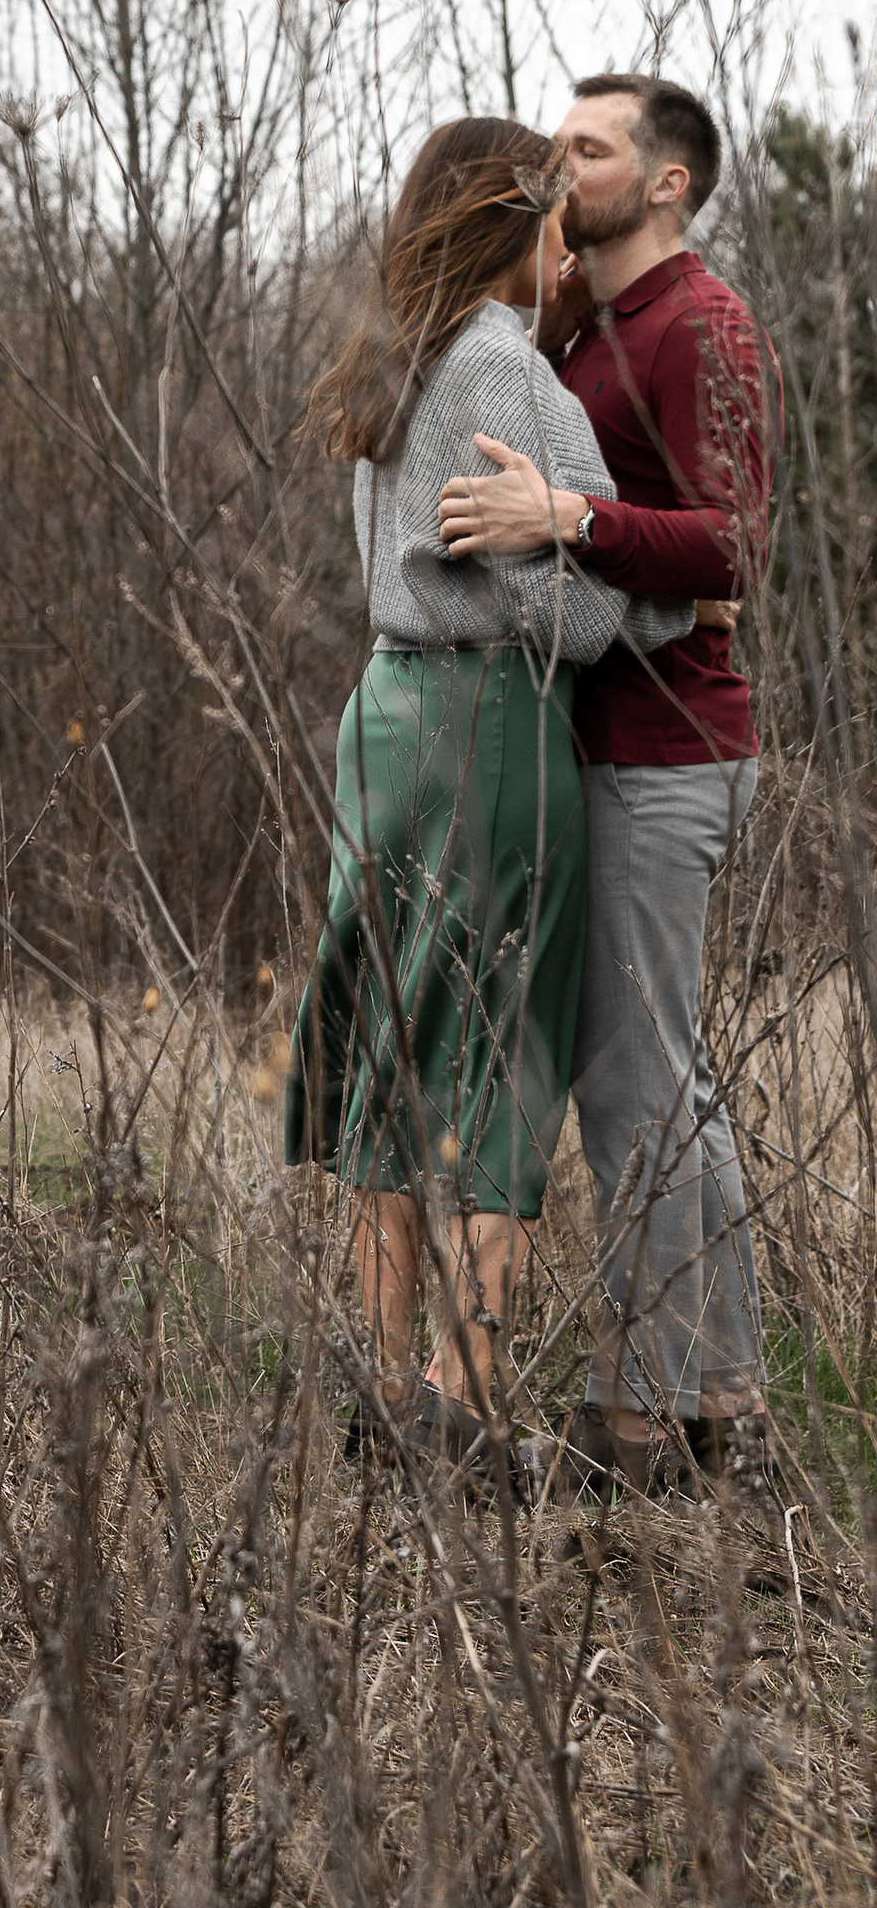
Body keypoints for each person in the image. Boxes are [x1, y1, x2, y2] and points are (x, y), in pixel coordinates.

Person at [289, 117, 691, 1478]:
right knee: (500, 1055)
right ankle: (463, 1406)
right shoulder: (507, 376)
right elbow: (571, 620)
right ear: (509, 229)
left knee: (393, 1051)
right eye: (554, 230)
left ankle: (391, 1386)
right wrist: (672, 591)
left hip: (384, 726)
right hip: (490, 735)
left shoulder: (386, 362)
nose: (567, 256)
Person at [440, 72, 776, 1497]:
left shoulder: (702, 323)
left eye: (589, 148)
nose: (559, 162)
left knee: (641, 1087)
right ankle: (698, 1406)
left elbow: (737, 546)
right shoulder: (587, 323)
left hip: (669, 748)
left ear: (667, 182)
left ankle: (667, 1426)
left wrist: (564, 518)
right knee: (649, 1081)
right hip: (598, 744)